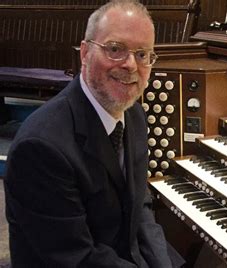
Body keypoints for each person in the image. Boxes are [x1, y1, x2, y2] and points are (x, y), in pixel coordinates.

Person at [4, 0, 184, 267]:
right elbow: (76, 257)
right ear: (85, 53)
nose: (131, 65)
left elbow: (140, 208)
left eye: (143, 54)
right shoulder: (41, 147)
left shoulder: (133, 114)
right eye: (115, 49)